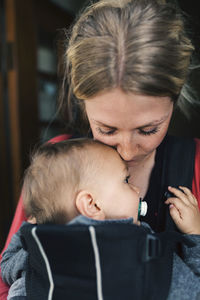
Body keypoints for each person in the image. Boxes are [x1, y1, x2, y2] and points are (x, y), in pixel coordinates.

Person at [1, 0, 200, 298]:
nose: (129, 151)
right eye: (107, 129)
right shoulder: (59, 168)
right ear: (83, 104)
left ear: (174, 99)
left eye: (148, 129)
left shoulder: (196, 165)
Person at [1, 138, 200, 300]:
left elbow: (6, 265)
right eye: (126, 181)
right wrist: (194, 235)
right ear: (92, 205)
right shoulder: (148, 254)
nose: (136, 189)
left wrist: (34, 226)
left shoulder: (38, 260)